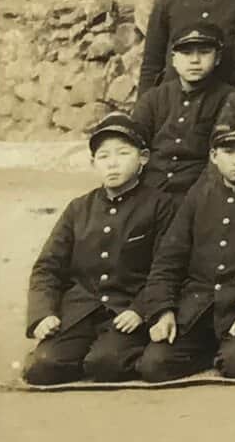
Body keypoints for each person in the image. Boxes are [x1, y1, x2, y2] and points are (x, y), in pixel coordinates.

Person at [134, 114, 235, 382]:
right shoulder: (198, 195)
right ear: (213, 155)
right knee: (155, 365)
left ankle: (229, 350)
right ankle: (207, 352)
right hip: (197, 307)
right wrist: (162, 311)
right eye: (228, 151)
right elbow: (168, 259)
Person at [21, 113, 173, 386]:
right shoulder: (79, 208)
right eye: (103, 157)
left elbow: (167, 267)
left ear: (143, 158)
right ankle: (76, 350)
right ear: (93, 163)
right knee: (41, 368)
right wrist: (43, 315)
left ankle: (109, 352)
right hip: (80, 310)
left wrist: (141, 309)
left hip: (126, 311)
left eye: (123, 153)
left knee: (105, 364)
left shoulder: (160, 205)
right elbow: (47, 267)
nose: (112, 164)